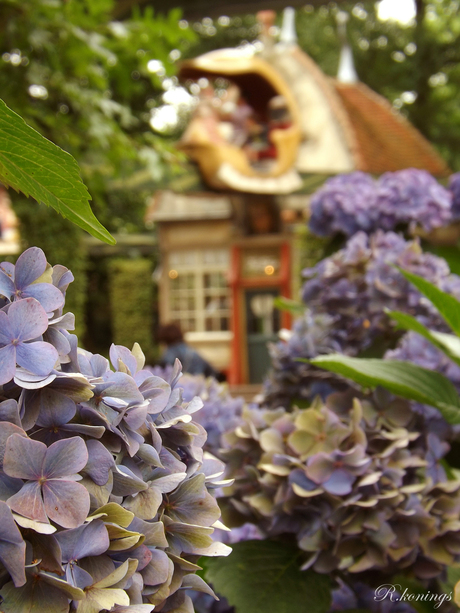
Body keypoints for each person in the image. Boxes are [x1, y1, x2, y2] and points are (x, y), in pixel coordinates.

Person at [157, 323, 223, 380]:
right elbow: (212, 372)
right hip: (196, 388)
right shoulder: (191, 350)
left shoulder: (171, 351)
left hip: (179, 388)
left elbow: (164, 366)